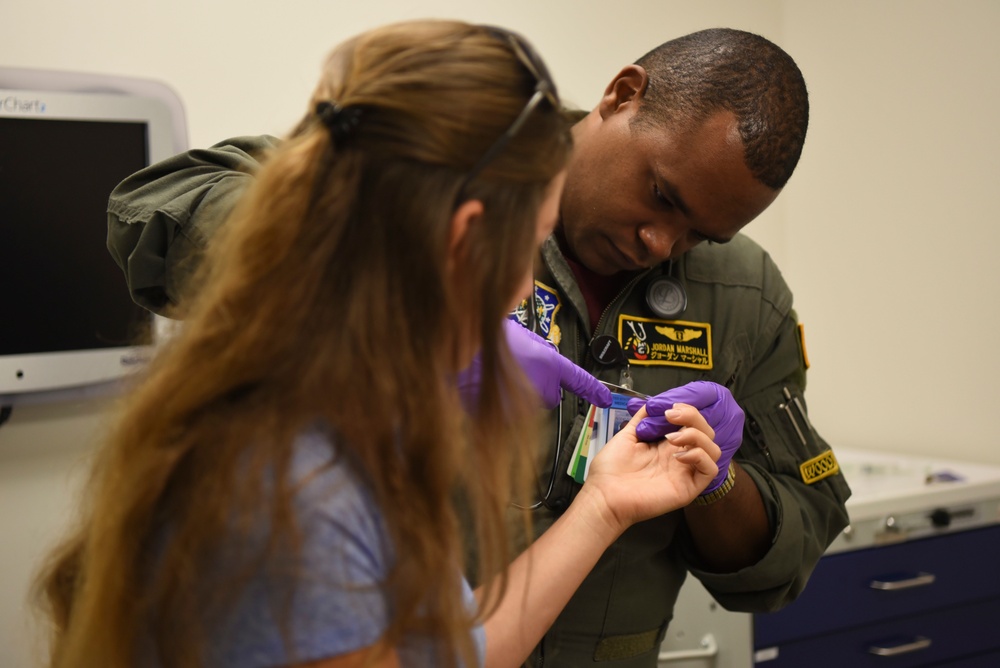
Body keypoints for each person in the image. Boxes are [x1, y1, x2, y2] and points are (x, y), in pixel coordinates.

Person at [103, 27, 852, 667]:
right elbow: (153, 209)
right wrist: (388, 296)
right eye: (662, 196)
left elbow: (469, 649)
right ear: (624, 94)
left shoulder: (746, 294)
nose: (661, 245)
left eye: (699, 235)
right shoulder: (464, 157)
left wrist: (708, 479)